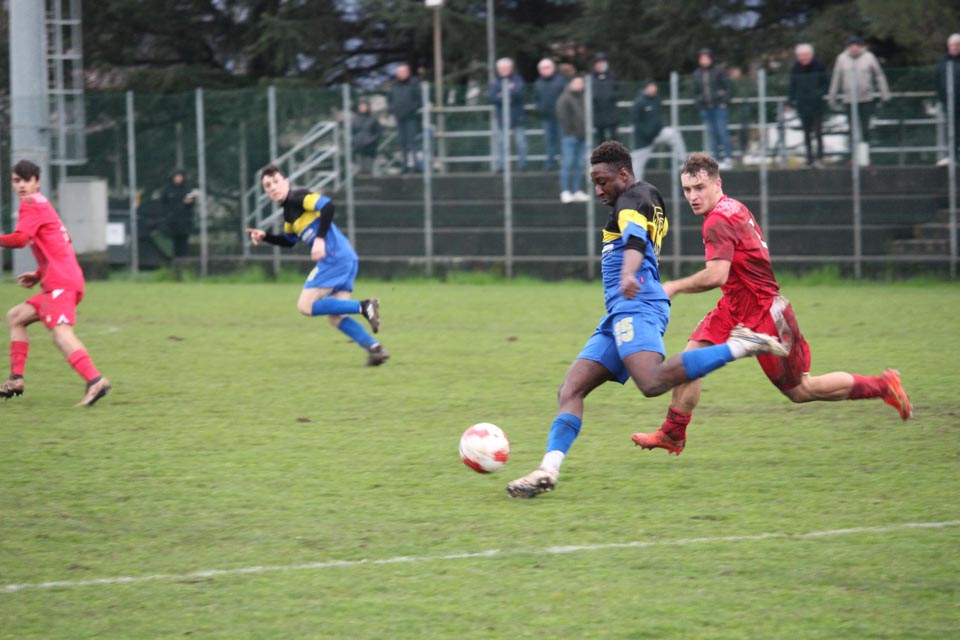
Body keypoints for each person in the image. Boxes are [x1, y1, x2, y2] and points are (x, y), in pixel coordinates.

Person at [505, 142, 788, 499]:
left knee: (652, 382)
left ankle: (740, 345)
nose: (598, 190)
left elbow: (635, 238)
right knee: (570, 389)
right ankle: (547, 470)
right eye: (594, 183)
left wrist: (628, 272)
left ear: (623, 174)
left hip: (636, 304)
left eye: (602, 181)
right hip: (620, 311)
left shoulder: (630, 202)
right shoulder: (646, 196)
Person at [631, 153, 912, 457]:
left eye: (699, 188)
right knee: (689, 363)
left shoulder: (717, 220)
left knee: (801, 390)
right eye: (687, 190)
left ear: (717, 183)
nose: (693, 196)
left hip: (765, 313)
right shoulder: (732, 207)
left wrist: (674, 286)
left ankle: (883, 386)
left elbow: (716, 275)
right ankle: (673, 433)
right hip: (733, 307)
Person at [244, 165, 388, 367]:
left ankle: (364, 306)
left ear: (286, 182)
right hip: (346, 257)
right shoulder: (289, 214)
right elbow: (289, 241)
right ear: (266, 192)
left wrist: (319, 239)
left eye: (276, 181)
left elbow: (327, 205)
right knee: (336, 317)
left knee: (305, 306)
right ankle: (375, 349)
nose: (273, 187)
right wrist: (265, 236)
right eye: (268, 185)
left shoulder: (298, 198)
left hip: (334, 257)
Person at [0, 159, 111, 406]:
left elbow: (20, 239)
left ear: (37, 182)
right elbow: (63, 242)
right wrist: (39, 273)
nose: (21, 185)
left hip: (62, 281)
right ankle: (16, 380)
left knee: (61, 334)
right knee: (16, 317)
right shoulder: (43, 205)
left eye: (26, 180)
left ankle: (95, 380)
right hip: (62, 278)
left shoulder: (30, 203)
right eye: (16, 180)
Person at [828, 36, 890, 166]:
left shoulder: (869, 57)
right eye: (852, 46)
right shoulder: (841, 58)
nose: (854, 48)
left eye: (856, 46)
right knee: (852, 130)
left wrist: (884, 94)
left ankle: (864, 158)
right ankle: (854, 158)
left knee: (865, 129)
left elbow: (879, 75)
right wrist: (832, 97)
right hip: (849, 99)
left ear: (860, 46)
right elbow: (836, 77)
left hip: (866, 98)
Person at [630, 79, 688, 180]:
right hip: (644, 140)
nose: (654, 89)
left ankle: (683, 162)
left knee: (674, 134)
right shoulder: (639, 102)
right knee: (637, 166)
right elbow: (635, 121)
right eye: (651, 87)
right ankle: (634, 187)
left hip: (658, 134)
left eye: (655, 86)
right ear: (646, 88)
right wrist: (646, 134)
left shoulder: (656, 99)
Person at [788, 44, 830, 168]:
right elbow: (792, 86)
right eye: (801, 55)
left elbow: (826, 83)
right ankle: (809, 159)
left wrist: (820, 94)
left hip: (817, 104)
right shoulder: (795, 68)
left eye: (806, 55)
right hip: (803, 105)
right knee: (806, 133)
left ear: (811, 55)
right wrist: (790, 101)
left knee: (818, 131)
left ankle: (820, 158)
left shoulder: (819, 66)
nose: (803, 58)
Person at [693, 48, 734, 170]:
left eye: (706, 58)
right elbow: (696, 92)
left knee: (722, 132)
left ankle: (728, 158)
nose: (704, 61)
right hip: (706, 109)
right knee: (712, 135)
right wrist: (700, 106)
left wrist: (724, 102)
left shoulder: (719, 70)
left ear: (711, 58)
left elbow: (729, 87)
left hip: (719, 108)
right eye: (702, 58)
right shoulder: (697, 74)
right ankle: (716, 160)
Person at [555, 75, 589, 203]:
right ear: (571, 84)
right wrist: (571, 132)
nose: (580, 85)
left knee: (579, 164)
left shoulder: (583, 97)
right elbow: (562, 117)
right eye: (577, 83)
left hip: (582, 136)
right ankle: (565, 191)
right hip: (570, 137)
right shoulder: (565, 98)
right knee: (568, 163)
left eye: (581, 83)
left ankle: (576, 190)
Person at [489, 57, 527, 171]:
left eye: (506, 67)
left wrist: (502, 94)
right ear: (498, 69)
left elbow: (518, 93)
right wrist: (508, 94)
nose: (504, 70)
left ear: (510, 68)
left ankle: (522, 166)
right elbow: (492, 97)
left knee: (521, 142)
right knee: (501, 143)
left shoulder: (518, 80)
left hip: (517, 116)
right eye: (501, 68)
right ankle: (502, 166)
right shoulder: (495, 82)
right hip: (501, 117)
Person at [533, 58, 567, 171]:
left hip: (561, 118)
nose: (545, 70)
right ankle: (550, 164)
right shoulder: (538, 83)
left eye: (547, 67)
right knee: (549, 142)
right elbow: (536, 99)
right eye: (542, 68)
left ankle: (565, 164)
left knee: (563, 142)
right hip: (546, 118)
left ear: (553, 68)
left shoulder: (561, 81)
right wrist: (540, 109)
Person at [388, 63, 422, 174]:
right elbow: (390, 100)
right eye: (399, 72)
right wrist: (392, 109)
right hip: (399, 118)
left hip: (411, 117)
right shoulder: (394, 85)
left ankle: (415, 165)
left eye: (403, 71)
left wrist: (412, 108)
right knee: (402, 142)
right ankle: (405, 165)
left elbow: (419, 100)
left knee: (412, 142)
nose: (401, 74)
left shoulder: (414, 83)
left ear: (408, 72)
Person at [935, 33, 960, 165]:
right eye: (952, 45)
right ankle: (953, 156)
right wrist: (942, 99)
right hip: (949, 103)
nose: (955, 47)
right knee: (951, 130)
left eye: (957, 45)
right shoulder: (943, 62)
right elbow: (938, 81)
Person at [160, 169, 196, 259]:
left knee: (183, 244)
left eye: (180, 177)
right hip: (171, 222)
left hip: (184, 222)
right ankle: (171, 261)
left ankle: (183, 261)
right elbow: (162, 203)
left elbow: (191, 200)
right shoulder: (167, 190)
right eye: (176, 177)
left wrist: (189, 202)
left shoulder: (188, 190)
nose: (178, 179)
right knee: (172, 244)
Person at [590, 53, 620, 142]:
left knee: (615, 139)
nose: (600, 65)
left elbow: (620, 91)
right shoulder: (591, 78)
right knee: (600, 140)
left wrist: (612, 96)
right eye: (598, 63)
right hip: (598, 115)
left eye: (602, 63)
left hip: (611, 114)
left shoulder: (613, 76)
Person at [351, 99, 382, 176]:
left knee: (368, 169)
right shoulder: (355, 118)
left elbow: (378, 132)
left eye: (364, 106)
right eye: (361, 106)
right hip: (358, 146)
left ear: (368, 107)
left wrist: (372, 140)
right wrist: (355, 140)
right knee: (360, 169)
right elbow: (352, 131)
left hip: (370, 148)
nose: (362, 108)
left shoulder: (373, 118)